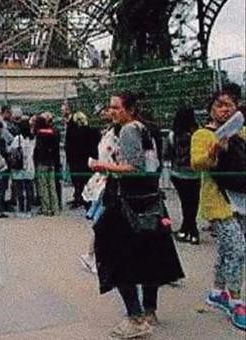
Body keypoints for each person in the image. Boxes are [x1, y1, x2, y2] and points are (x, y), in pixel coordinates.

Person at [90, 92, 184, 339]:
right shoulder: (146, 128)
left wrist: (103, 167)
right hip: (148, 200)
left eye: (115, 107)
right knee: (149, 254)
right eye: (110, 108)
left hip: (129, 202)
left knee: (115, 256)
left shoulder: (129, 130)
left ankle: (135, 316)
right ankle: (149, 310)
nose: (111, 112)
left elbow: (135, 167)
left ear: (129, 110)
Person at [191, 90, 246, 331]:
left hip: (241, 198)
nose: (225, 109)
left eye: (230, 105)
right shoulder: (203, 134)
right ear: (211, 108)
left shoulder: (242, 132)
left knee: (227, 248)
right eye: (220, 105)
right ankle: (236, 300)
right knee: (238, 248)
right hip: (217, 200)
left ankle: (217, 291)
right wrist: (214, 150)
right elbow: (196, 163)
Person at [79, 107, 120, 274]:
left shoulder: (111, 134)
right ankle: (93, 257)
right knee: (103, 222)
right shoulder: (111, 135)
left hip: (107, 180)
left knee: (104, 222)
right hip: (108, 181)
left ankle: (93, 256)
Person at [169, 107, 201, 245]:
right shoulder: (198, 134)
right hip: (195, 174)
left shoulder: (173, 135)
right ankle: (192, 231)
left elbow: (168, 153)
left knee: (185, 202)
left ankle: (186, 229)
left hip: (178, 173)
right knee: (193, 203)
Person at [65, 111, 100, 209]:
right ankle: (87, 199)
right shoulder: (92, 131)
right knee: (87, 180)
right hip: (88, 159)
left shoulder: (72, 132)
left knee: (77, 181)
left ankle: (78, 197)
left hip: (75, 159)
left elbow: (68, 146)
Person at [33, 114, 60, 216]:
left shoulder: (39, 134)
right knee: (52, 186)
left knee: (43, 187)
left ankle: (46, 208)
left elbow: (38, 150)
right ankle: (55, 207)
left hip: (42, 162)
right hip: (51, 162)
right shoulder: (52, 132)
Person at [8, 119, 36, 218]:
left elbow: (11, 150)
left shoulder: (17, 138)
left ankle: (21, 208)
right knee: (29, 188)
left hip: (19, 167)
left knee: (19, 189)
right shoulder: (32, 138)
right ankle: (29, 209)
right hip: (29, 166)